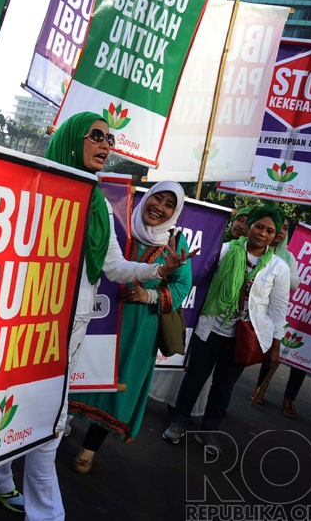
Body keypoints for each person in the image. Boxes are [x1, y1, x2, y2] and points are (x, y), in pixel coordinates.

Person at [0, 112, 190, 519]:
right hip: (24, 324)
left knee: (45, 417)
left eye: (110, 140)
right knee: (21, 410)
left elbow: (114, 267)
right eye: (97, 136)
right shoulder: (35, 191)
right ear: (75, 138)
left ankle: (20, 493)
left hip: (71, 330)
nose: (106, 145)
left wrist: (159, 271)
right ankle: (23, 495)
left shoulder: (98, 206)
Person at [68, 181, 193, 474]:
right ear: (146, 197)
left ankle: (89, 450)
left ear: (175, 213)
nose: (159, 208)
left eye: (168, 205)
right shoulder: (121, 223)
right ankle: (64, 421)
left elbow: (182, 285)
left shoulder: (176, 242)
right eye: (156, 199)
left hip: (140, 329)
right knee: (79, 369)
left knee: (117, 386)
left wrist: (147, 294)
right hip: (99, 315)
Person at [163, 205, 290, 456]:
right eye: (258, 226)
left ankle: (210, 429)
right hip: (209, 329)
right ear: (250, 226)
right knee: (195, 378)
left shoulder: (278, 268)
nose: (262, 233)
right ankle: (179, 421)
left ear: (275, 236)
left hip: (242, 338)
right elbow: (199, 281)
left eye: (269, 230)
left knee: (224, 386)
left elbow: (278, 311)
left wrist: (276, 347)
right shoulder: (223, 251)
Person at [252, 212, 311, 418]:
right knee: (271, 349)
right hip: (280, 311)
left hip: (310, 315)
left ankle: (289, 398)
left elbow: (294, 282)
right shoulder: (290, 249)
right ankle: (260, 386)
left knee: (301, 356)